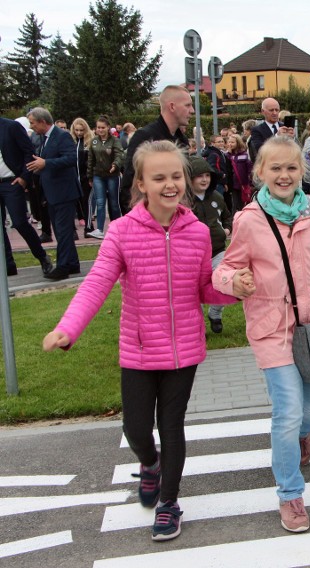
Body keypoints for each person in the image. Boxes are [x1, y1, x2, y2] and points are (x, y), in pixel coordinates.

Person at [43, 140, 252, 541]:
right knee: (137, 429)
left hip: (184, 350)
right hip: (138, 350)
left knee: (171, 425)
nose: (170, 184)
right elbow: (97, 284)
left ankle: (169, 502)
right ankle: (149, 464)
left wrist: (235, 290)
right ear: (140, 182)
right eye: (159, 178)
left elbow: (205, 289)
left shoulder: (199, 231)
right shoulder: (121, 232)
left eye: (176, 176)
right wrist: (68, 328)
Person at [213, 137, 310, 534]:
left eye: (291, 168)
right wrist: (235, 281)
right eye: (275, 168)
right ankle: (290, 494)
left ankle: (301, 435)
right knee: (287, 410)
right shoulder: (248, 219)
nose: (284, 175)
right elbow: (223, 269)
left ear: (302, 172)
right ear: (260, 172)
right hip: (270, 328)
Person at [26, 107, 81, 280]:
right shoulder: (43, 138)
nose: (31, 127)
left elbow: (72, 159)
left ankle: (63, 266)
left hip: (64, 192)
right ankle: (73, 263)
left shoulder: (62, 136)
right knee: (59, 230)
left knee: (63, 231)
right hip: (52, 193)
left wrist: (46, 163)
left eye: (33, 123)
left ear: (43, 121)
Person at [120, 85, 193, 214]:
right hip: (148, 220)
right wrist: (137, 221)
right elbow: (129, 184)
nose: (192, 110)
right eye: (187, 105)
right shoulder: (145, 137)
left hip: (177, 218)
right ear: (172, 106)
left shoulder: (182, 141)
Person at [0, 117, 54, 277]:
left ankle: (42, 257)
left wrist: (24, 177)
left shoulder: (11, 127)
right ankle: (8, 264)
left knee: (19, 222)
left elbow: (28, 152)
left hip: (12, 182)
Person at [188, 156, 233, 331]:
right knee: (192, 292)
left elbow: (227, 216)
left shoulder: (217, 196)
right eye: (199, 176)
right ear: (190, 178)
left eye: (207, 175)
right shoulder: (184, 201)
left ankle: (215, 313)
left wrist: (227, 229)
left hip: (218, 250)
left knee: (224, 282)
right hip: (193, 255)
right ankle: (198, 326)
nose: (204, 179)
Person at [85, 115, 124, 239]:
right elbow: (90, 160)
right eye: (98, 128)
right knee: (100, 202)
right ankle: (100, 229)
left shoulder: (115, 141)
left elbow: (119, 155)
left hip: (113, 175)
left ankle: (118, 229)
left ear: (108, 128)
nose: (100, 130)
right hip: (98, 176)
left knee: (114, 203)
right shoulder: (94, 141)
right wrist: (90, 176)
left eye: (102, 127)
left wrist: (115, 165)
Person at [69, 118, 93, 233]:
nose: (79, 132)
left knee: (86, 202)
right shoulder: (71, 142)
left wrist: (89, 176)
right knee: (72, 203)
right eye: (77, 130)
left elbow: (91, 162)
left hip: (85, 178)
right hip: (73, 178)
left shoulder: (89, 142)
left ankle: (89, 228)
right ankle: (72, 230)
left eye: (81, 130)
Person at [227, 134, 253, 211]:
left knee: (243, 204)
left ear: (238, 143)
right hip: (233, 185)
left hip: (243, 184)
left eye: (232, 142)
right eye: (229, 142)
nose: (230, 144)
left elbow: (250, 170)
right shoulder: (227, 155)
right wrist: (228, 153)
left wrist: (250, 183)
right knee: (234, 205)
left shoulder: (245, 155)